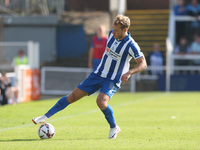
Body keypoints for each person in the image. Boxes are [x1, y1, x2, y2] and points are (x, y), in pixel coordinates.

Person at [32, 14, 147, 139]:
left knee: (101, 101)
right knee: (72, 97)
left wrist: (129, 72)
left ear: (125, 30)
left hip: (112, 79)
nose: (113, 32)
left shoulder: (131, 45)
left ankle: (114, 127)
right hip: (97, 74)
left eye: (116, 30)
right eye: (113, 29)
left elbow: (143, 64)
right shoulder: (111, 34)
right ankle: (45, 116)